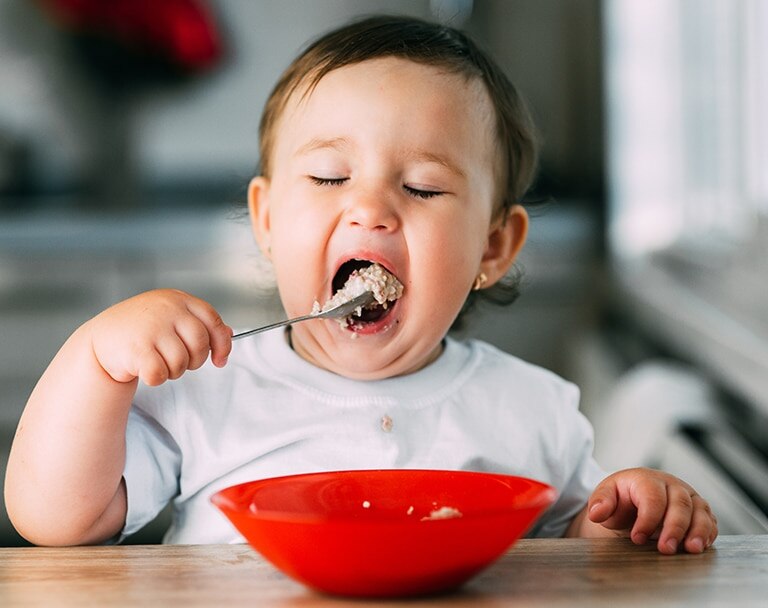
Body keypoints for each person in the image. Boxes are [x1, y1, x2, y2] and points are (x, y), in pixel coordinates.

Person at [5, 15, 717, 554]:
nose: (370, 208)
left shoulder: (533, 411)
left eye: (422, 186)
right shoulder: (212, 389)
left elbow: (581, 558)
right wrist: (92, 361)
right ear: (268, 220)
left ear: (493, 247)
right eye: (328, 178)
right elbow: (53, 520)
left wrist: (631, 515)